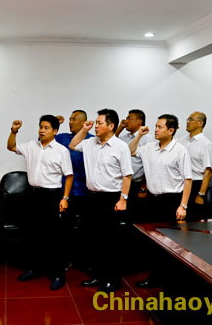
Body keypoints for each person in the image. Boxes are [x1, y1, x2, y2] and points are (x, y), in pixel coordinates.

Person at [69, 108, 133, 292]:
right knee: (93, 239)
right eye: (95, 123)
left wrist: (123, 199)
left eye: (99, 123)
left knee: (109, 241)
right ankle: (98, 275)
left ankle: (113, 279)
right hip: (91, 197)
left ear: (111, 126)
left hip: (111, 198)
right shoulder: (90, 142)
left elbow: (127, 175)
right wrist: (84, 129)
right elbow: (73, 145)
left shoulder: (120, 146)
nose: (96, 126)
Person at [7, 115, 73, 290]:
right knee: (33, 233)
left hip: (52, 196)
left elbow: (69, 176)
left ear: (55, 131)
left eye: (46, 128)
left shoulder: (61, 151)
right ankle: (34, 269)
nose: (42, 130)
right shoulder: (31, 146)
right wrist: (14, 131)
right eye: (41, 127)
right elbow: (11, 146)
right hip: (33, 194)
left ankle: (58, 274)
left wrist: (65, 198)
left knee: (53, 237)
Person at [128, 114, 192, 288]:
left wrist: (183, 206)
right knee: (153, 241)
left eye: (160, 127)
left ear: (171, 130)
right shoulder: (149, 147)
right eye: (155, 126)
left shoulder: (180, 150)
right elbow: (131, 150)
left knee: (171, 243)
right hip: (152, 200)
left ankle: (170, 281)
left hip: (171, 201)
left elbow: (188, 179)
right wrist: (139, 135)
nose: (156, 130)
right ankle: (154, 277)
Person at [54, 110, 93, 270]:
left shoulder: (92, 140)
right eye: (70, 119)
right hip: (65, 191)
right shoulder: (63, 138)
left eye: (74, 119)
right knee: (64, 227)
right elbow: (43, 141)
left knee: (86, 228)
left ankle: (84, 260)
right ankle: (65, 259)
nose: (70, 122)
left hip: (85, 191)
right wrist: (55, 124)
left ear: (83, 122)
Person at [115, 109, 151, 222]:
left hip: (136, 184)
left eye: (130, 118)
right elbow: (111, 141)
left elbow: (148, 165)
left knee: (133, 216)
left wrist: (144, 187)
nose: (126, 121)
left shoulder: (147, 139)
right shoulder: (124, 138)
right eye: (126, 118)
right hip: (121, 183)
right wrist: (120, 128)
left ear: (139, 122)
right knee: (119, 215)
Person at [178, 111, 212, 220]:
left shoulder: (206, 144)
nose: (187, 122)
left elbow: (208, 171)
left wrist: (201, 194)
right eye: (187, 119)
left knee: (193, 220)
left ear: (200, 123)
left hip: (196, 185)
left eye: (190, 119)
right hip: (181, 184)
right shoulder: (181, 140)